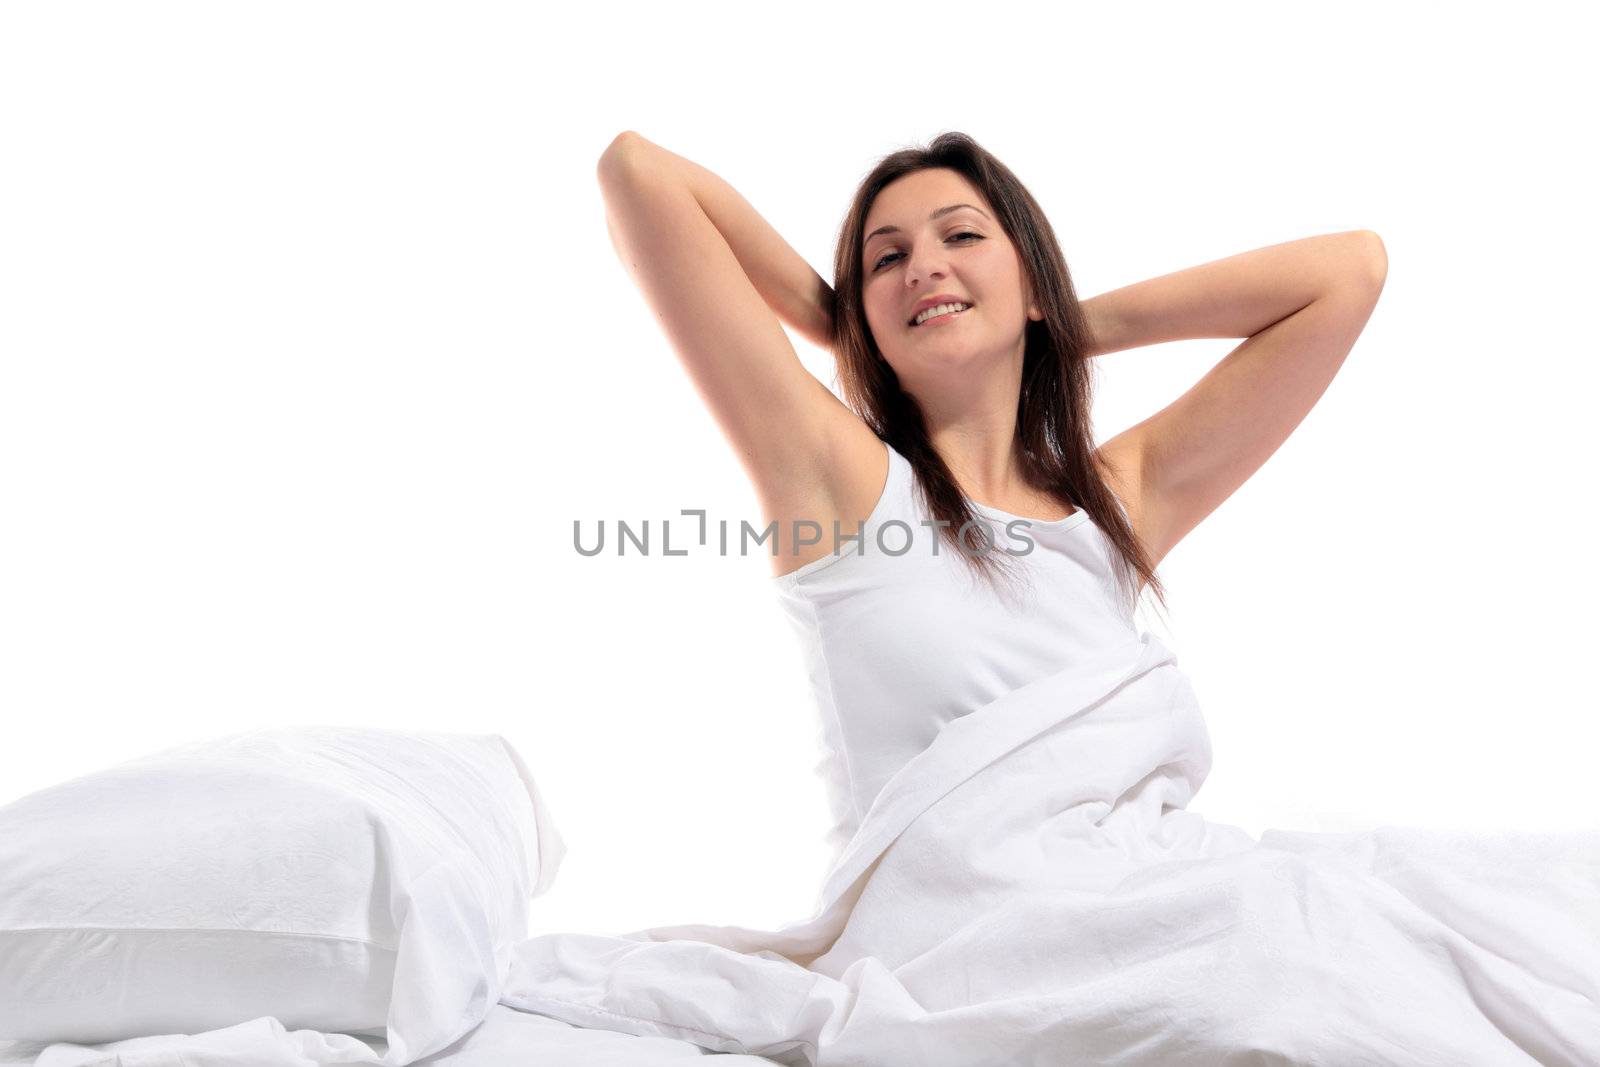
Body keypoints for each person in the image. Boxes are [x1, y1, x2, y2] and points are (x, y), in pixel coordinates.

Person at [595, 129, 1388, 859]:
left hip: (1160, 894)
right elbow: (638, 174)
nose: (923, 267)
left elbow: (1349, 272)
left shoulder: (1116, 505)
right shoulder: (842, 484)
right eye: (885, 259)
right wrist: (852, 328)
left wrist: (1063, 319)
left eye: (962, 235)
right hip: (964, 952)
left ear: (1030, 278)